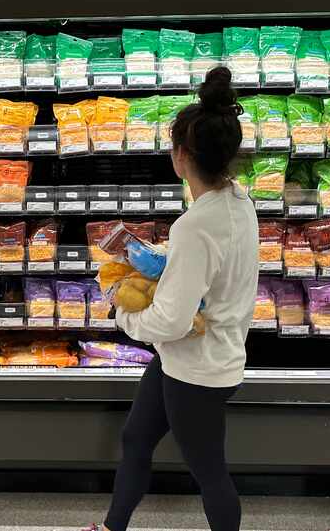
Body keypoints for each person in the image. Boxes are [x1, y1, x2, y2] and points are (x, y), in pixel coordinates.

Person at [83, 66, 259, 531]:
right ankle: (111, 527)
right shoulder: (238, 201)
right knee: (137, 438)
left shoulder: (197, 225)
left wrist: (120, 312)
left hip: (198, 369)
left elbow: (169, 320)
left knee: (210, 474)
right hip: (190, 359)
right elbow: (210, 264)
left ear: (181, 155)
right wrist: (156, 256)